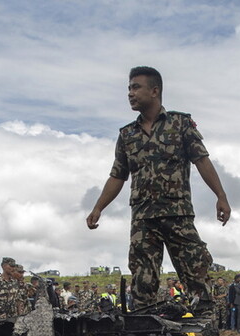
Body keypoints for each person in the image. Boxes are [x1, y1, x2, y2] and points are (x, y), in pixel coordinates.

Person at [86, 66, 231, 310]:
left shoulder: (180, 124)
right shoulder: (127, 135)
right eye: (129, 88)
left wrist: (221, 195)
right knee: (143, 282)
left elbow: (202, 161)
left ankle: (204, 332)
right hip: (143, 219)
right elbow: (117, 176)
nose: (130, 93)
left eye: (136, 87)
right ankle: (144, 334)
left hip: (177, 213)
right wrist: (98, 207)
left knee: (196, 271)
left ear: (155, 91)